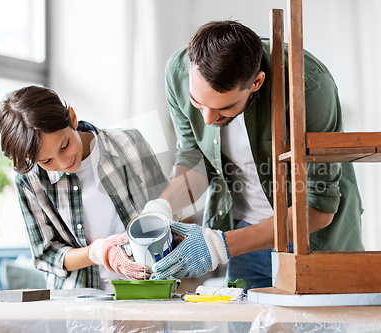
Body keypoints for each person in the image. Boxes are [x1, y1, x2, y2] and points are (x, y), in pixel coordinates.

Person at [145, 20, 364, 290]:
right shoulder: (177, 72)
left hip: (313, 238)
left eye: (224, 108)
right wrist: (161, 207)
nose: (208, 118)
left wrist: (219, 245)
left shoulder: (307, 83)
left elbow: (319, 208)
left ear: (257, 82)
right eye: (197, 103)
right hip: (243, 234)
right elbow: (195, 161)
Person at [0, 85, 168, 291]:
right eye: (47, 160)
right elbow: (46, 255)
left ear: (72, 118)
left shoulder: (129, 143)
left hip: (148, 290)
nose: (63, 162)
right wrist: (99, 252)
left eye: (64, 145)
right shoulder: (30, 181)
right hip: (78, 302)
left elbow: (166, 209)